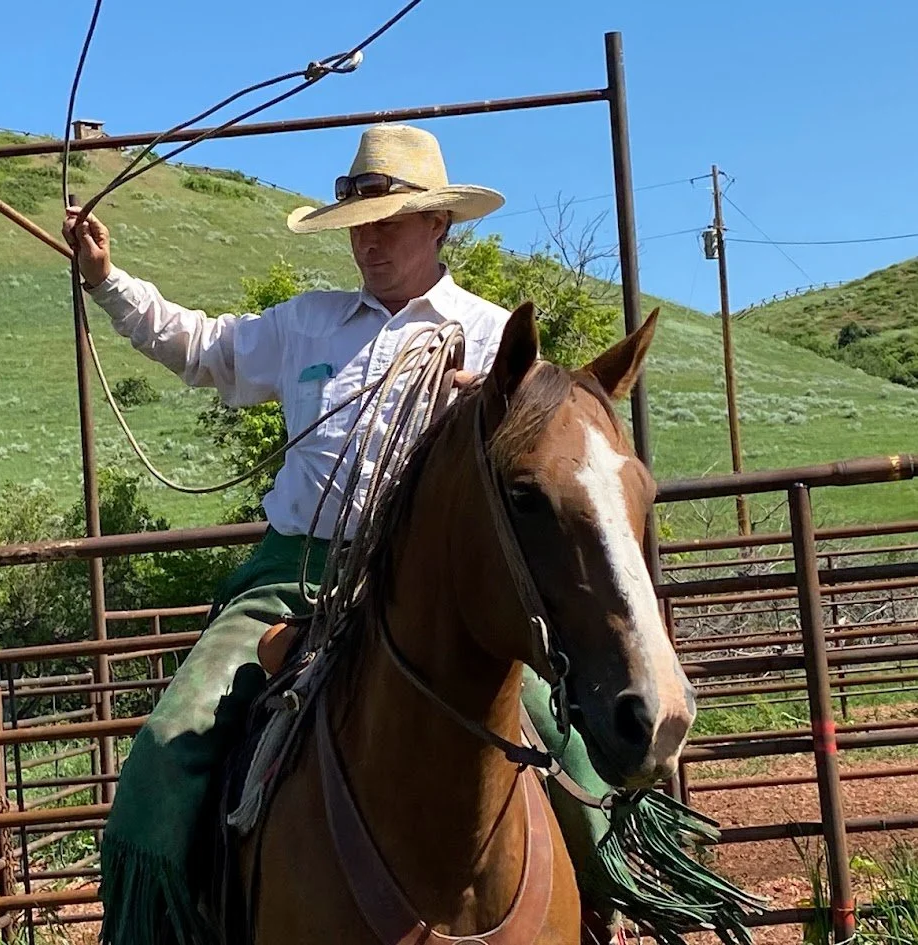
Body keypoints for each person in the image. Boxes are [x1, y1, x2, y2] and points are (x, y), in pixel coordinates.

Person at [63, 123, 754, 945]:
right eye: (360, 221)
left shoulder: (498, 339)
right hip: (295, 576)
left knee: (575, 755)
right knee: (165, 752)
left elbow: (557, 450)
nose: (370, 237)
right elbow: (198, 346)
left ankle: (610, 907)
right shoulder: (304, 326)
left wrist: (484, 403)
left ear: (438, 225)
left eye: (391, 220)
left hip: (439, 590)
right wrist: (108, 280)